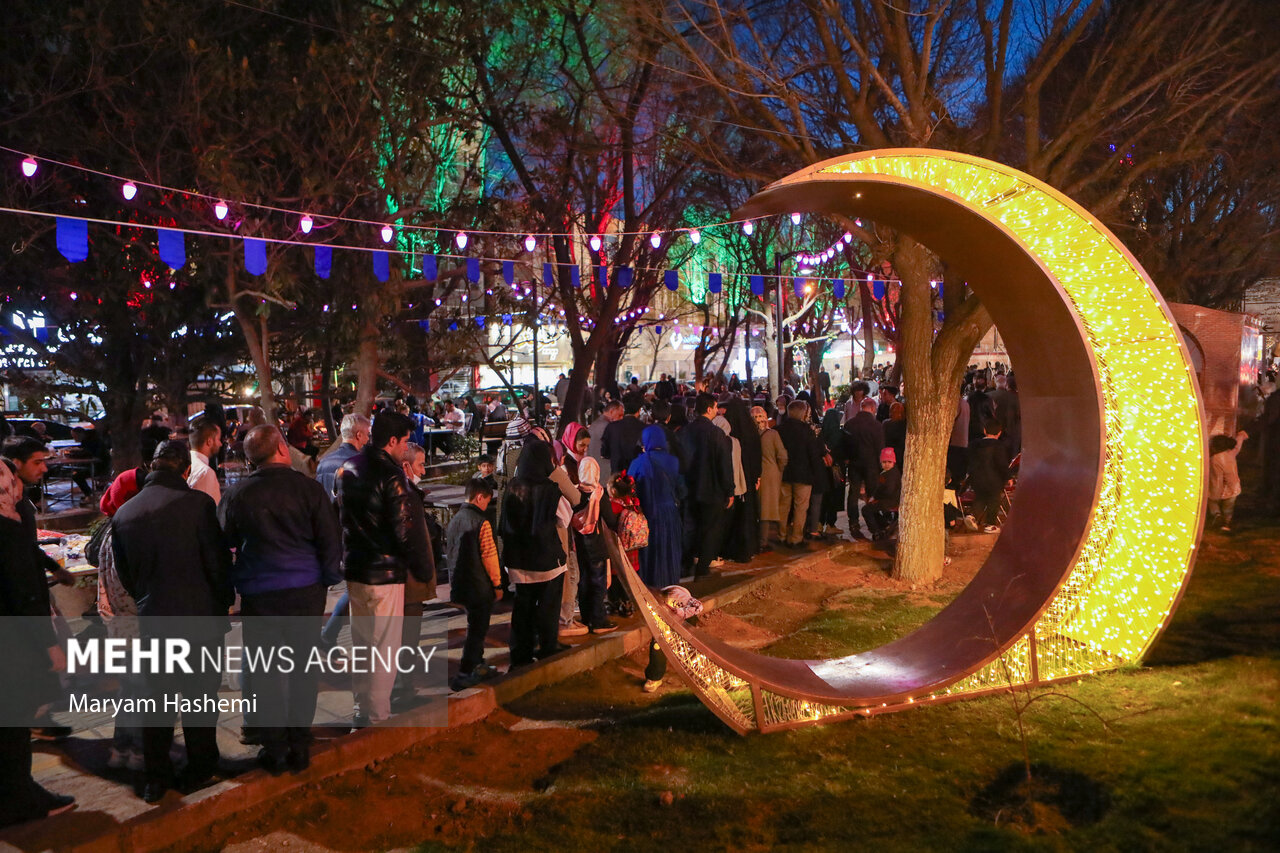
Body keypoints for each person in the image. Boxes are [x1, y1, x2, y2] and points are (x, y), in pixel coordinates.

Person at [110, 441, 234, 803]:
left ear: (152, 465)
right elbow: (217, 563)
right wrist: (223, 601)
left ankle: (156, 777)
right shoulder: (198, 505)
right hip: (200, 620)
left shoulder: (125, 514)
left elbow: (126, 575)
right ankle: (201, 766)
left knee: (158, 702)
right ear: (184, 471)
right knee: (200, 697)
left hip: (156, 621)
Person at [219, 426, 342, 773]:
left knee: (266, 672)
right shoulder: (309, 489)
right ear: (283, 450)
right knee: (303, 669)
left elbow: (223, 542)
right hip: (305, 592)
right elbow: (330, 541)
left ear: (249, 459)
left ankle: (273, 748)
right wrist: (328, 579)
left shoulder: (237, 495)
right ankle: (299, 744)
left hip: (260, 596)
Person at [336, 411, 433, 726]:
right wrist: (422, 566)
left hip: (356, 570)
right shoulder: (392, 476)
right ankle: (377, 720)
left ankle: (361, 711)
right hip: (385, 573)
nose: (407, 447)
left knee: (363, 647)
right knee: (383, 651)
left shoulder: (348, 468)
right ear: (392, 441)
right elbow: (404, 530)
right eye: (405, 441)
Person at [0, 461, 76, 827]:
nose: (18, 487)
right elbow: (25, 595)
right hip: (13, 646)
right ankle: (20, 797)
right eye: (12, 481)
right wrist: (51, 646)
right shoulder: (7, 530)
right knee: (13, 724)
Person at [500, 439, 571, 666]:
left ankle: (520, 653)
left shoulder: (512, 486)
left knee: (523, 607)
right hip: (546, 559)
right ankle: (547, 646)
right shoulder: (550, 489)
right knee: (549, 605)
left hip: (519, 560)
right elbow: (564, 520)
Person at [447, 478, 504, 690]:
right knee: (477, 631)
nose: (487, 506)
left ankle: (477, 665)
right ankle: (465, 671)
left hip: (460, 585)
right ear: (479, 497)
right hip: (479, 586)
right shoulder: (482, 522)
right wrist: (497, 585)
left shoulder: (455, 520)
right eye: (487, 501)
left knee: (474, 626)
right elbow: (489, 556)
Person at [680, 393, 735, 578]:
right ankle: (702, 566)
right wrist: (729, 490)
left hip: (689, 488)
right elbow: (724, 465)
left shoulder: (685, 432)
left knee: (690, 527)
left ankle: (686, 562)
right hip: (712, 490)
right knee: (710, 529)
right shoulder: (716, 434)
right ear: (710, 409)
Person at [628, 425, 685, 588]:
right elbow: (680, 488)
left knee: (651, 552)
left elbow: (630, 486)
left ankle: (650, 586)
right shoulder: (673, 461)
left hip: (647, 514)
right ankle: (669, 585)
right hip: (670, 513)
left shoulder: (639, 462)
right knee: (668, 551)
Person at [571, 457, 619, 634]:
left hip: (580, 545)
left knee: (584, 582)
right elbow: (611, 520)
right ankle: (598, 621)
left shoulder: (575, 493)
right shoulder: (599, 494)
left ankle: (586, 618)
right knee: (599, 583)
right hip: (597, 545)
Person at [776, 400, 826, 548]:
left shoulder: (779, 429)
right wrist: (818, 474)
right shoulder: (807, 431)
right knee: (800, 508)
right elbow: (813, 454)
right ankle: (796, 538)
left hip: (784, 473)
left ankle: (781, 535)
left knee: (783, 506)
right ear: (803, 413)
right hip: (803, 475)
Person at [843, 398, 885, 540]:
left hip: (854, 463)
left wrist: (847, 458)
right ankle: (874, 522)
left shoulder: (850, 424)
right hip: (871, 464)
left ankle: (853, 522)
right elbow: (880, 447)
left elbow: (845, 444)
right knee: (873, 492)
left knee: (853, 493)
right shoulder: (876, 426)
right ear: (873, 408)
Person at [752, 406, 787, 551]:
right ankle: (763, 542)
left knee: (758, 508)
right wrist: (779, 470)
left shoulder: (749, 435)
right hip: (770, 474)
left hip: (753, 474)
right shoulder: (773, 434)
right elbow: (783, 456)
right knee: (767, 510)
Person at [968, 418, 1012, 532]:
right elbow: (1001, 464)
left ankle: (972, 516)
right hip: (994, 480)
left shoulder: (974, 445)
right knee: (994, 500)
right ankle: (990, 524)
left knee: (980, 498)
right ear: (999, 432)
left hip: (977, 479)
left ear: (984, 430)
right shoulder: (999, 446)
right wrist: (1008, 477)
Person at [316, 414, 370, 498]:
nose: (368, 439)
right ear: (359, 435)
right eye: (367, 434)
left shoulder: (323, 463)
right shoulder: (362, 464)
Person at [1208, 430, 1250, 532]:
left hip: (1222, 489)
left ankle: (1217, 515)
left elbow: (1217, 479)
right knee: (1228, 509)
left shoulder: (1214, 459)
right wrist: (1241, 436)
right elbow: (1237, 446)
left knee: (1212, 502)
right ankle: (1226, 525)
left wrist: (1214, 494)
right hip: (1234, 489)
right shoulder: (1231, 453)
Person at [861, 447, 902, 540]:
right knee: (871, 508)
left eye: (889, 462)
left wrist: (876, 497)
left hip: (890, 501)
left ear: (893, 462)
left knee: (866, 510)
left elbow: (888, 490)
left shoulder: (890, 474)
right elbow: (880, 487)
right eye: (884, 462)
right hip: (889, 500)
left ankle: (876, 531)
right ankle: (884, 526)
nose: (886, 464)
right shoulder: (887, 473)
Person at [602, 396, 646, 476]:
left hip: (617, 474)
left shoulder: (611, 427)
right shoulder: (644, 428)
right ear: (639, 410)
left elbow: (605, 452)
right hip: (637, 474)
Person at [186, 417, 223, 503]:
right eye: (218, 439)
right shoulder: (205, 473)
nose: (220, 444)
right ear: (209, 441)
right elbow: (211, 511)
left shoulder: (184, 463)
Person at [589, 401, 623, 483]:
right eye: (619, 415)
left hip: (594, 469)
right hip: (605, 470)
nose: (621, 418)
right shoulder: (608, 427)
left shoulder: (594, 424)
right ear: (612, 411)